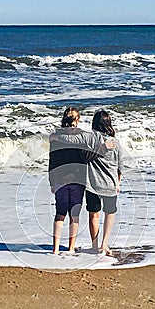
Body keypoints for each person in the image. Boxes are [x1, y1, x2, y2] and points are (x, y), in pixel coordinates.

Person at [51, 110, 123, 256]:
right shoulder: (116, 143)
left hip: (93, 184)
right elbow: (120, 166)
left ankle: (95, 246)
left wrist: (55, 136)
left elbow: (70, 140)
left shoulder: (90, 137)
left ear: (94, 123)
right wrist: (118, 184)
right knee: (109, 213)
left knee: (93, 215)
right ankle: (105, 244)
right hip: (110, 184)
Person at [48, 107, 86, 254]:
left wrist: (51, 181)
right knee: (74, 214)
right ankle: (71, 247)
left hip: (60, 179)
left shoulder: (55, 136)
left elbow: (52, 160)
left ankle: (55, 248)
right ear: (76, 120)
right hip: (77, 178)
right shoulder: (81, 136)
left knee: (60, 214)